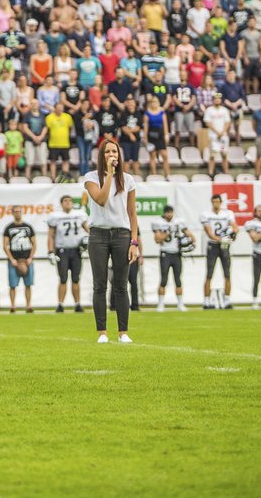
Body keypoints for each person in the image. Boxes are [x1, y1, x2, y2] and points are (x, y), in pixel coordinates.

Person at [84, 138, 140, 344]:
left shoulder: (128, 179)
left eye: (114, 152)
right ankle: (102, 333)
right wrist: (108, 175)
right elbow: (101, 198)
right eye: (107, 152)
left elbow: (132, 213)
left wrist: (134, 243)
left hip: (122, 235)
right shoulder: (90, 177)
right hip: (98, 235)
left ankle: (123, 332)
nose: (112, 156)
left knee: (121, 285)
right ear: (102, 156)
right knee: (99, 285)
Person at [47, 195, 89, 313]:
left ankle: (77, 304)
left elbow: (88, 229)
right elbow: (50, 235)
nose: (68, 203)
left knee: (76, 278)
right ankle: (60, 304)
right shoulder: (55, 217)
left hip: (76, 250)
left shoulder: (79, 214)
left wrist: (92, 241)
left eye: (70, 201)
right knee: (63, 278)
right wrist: (50, 251)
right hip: (62, 251)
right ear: (61, 203)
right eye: (65, 201)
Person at [150, 205, 193, 311]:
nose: (169, 214)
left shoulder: (178, 222)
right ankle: (160, 304)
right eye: (167, 212)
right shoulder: (159, 223)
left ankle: (180, 303)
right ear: (164, 213)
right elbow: (158, 239)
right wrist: (168, 231)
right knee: (164, 279)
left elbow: (190, 236)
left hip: (176, 254)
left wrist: (190, 242)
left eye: (171, 212)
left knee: (178, 279)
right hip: (165, 253)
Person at [201, 194, 239, 309]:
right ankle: (206, 301)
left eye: (217, 202)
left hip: (224, 246)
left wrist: (232, 234)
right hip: (213, 245)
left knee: (227, 273)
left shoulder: (228, 213)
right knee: (209, 274)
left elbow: (235, 227)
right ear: (211, 202)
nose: (215, 204)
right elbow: (209, 233)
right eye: (214, 202)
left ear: (221, 202)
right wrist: (220, 239)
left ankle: (227, 300)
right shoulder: (206, 214)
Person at [2, 206, 36, 314]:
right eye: (15, 211)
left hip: (26, 260)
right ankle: (13, 305)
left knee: (28, 284)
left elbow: (34, 244)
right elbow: (5, 245)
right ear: (12, 213)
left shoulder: (28, 227)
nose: (17, 213)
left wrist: (30, 257)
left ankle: (28, 305)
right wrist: (11, 259)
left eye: (19, 211)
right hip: (14, 261)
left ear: (22, 212)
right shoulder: (9, 228)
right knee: (13, 285)